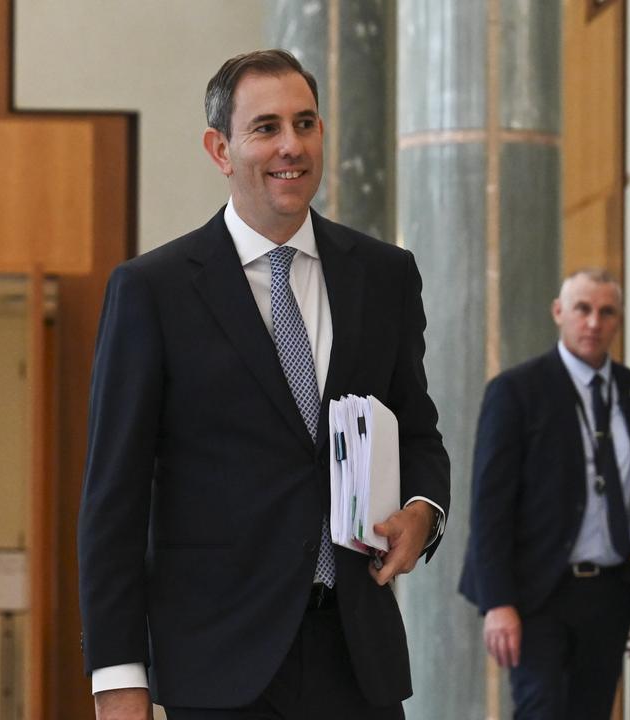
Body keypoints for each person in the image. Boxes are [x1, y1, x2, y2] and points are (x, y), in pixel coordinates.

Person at [77, 49, 450, 719]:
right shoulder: (153, 292)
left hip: (357, 659)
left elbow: (418, 431)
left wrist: (423, 511)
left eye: (306, 124)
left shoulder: (384, 276)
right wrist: (118, 676)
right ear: (220, 149)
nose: (292, 146)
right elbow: (114, 502)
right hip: (217, 665)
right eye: (267, 127)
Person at [459, 269, 630, 718]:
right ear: (558, 312)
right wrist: (498, 603)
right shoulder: (517, 391)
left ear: (618, 321)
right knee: (541, 709)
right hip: (538, 593)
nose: (593, 322)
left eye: (606, 312)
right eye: (582, 309)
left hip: (611, 593)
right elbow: (490, 505)